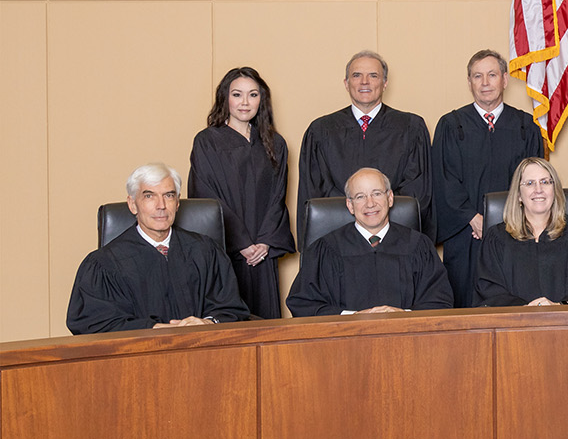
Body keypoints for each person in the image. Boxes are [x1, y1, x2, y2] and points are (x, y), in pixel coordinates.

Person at [67, 163, 249, 333]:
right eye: (149, 196)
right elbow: (93, 323)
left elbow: (231, 308)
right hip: (139, 359)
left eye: (169, 195)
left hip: (202, 353)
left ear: (177, 203)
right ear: (132, 204)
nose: (161, 206)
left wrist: (208, 322)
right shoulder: (104, 264)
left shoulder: (206, 251)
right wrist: (153, 329)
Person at [432, 49, 544, 306]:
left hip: (516, 232)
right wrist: (473, 218)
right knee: (464, 303)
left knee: (514, 301)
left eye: (492, 75)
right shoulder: (451, 125)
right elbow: (443, 179)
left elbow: (534, 182)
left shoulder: (526, 125)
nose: (485, 83)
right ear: (469, 82)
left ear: (505, 79)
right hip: (465, 235)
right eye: (477, 76)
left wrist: (505, 222)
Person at [188, 66, 294, 319]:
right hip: (227, 251)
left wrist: (265, 242)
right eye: (237, 95)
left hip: (262, 253)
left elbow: (279, 197)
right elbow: (206, 196)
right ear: (225, 98)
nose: (245, 102)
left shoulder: (274, 143)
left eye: (253, 95)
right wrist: (242, 244)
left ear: (262, 99)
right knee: (229, 319)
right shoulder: (208, 141)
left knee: (265, 323)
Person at [297, 51, 433, 246]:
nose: (364, 82)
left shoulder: (411, 127)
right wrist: (357, 219)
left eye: (373, 75)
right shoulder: (321, 130)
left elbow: (416, 189)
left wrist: (378, 219)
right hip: (337, 240)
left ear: (385, 83)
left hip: (395, 241)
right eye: (357, 75)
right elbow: (315, 191)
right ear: (346, 83)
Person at [286, 167, 452, 316]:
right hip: (345, 345)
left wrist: (403, 315)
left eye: (377, 193)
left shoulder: (418, 246)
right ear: (350, 205)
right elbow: (303, 304)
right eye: (360, 197)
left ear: (390, 198)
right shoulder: (327, 249)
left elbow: (440, 302)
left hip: (406, 343)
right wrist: (353, 317)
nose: (370, 203)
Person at [476, 158, 568, 306]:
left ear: (554, 190)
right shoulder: (496, 239)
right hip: (514, 326)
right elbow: (489, 293)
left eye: (545, 182)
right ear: (518, 195)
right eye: (529, 183)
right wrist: (525, 310)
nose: (538, 189)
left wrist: (560, 307)